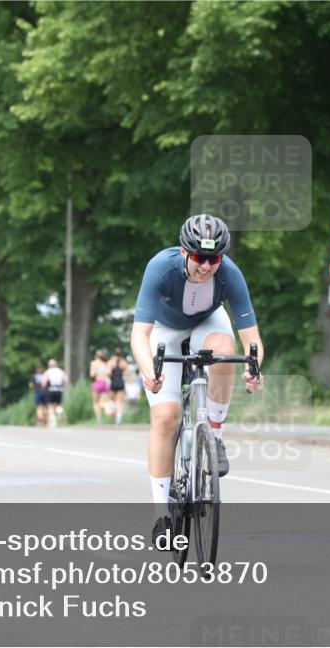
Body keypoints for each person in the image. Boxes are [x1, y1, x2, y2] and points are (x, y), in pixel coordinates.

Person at [130, 214, 264, 546]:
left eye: (214, 258)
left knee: (224, 347)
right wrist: (150, 372)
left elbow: (252, 339)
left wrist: (254, 368)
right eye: (200, 258)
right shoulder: (160, 267)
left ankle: (215, 434)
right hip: (165, 330)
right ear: (184, 251)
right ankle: (162, 515)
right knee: (165, 417)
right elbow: (139, 335)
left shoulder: (230, 274)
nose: (206, 266)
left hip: (207, 322)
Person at [106, 348, 130, 425]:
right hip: (120, 383)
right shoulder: (124, 362)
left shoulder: (110, 362)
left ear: (114, 353)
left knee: (112, 401)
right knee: (119, 402)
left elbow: (108, 373)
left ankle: (113, 415)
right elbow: (127, 374)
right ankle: (118, 419)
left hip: (113, 383)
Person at [42, 358, 68, 426]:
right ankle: (60, 413)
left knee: (50, 405)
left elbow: (44, 383)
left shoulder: (48, 372)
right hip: (59, 389)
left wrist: (44, 388)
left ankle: (53, 421)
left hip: (51, 389)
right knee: (58, 404)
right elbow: (66, 380)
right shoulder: (60, 371)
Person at [89, 350, 111, 424]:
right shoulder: (105, 363)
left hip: (98, 383)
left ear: (96, 355)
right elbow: (109, 374)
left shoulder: (94, 363)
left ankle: (99, 418)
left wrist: (96, 372)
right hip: (106, 383)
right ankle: (107, 409)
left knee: (95, 402)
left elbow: (92, 375)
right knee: (104, 402)